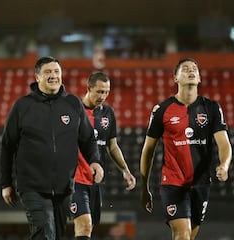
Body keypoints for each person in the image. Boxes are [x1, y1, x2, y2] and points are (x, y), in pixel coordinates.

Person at [0, 56, 104, 240]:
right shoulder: (22, 106)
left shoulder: (73, 104)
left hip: (65, 188)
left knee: (56, 235)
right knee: (44, 232)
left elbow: (87, 139)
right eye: (48, 72)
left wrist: (94, 161)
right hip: (32, 186)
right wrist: (6, 183)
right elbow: (7, 145)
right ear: (37, 77)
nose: (53, 76)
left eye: (56, 72)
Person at [140, 58, 232, 240]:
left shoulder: (212, 108)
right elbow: (148, 150)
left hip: (201, 183)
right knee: (182, 234)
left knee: (189, 236)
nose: (191, 70)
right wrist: (144, 188)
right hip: (173, 183)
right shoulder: (162, 110)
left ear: (198, 78)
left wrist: (225, 165)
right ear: (176, 78)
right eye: (185, 68)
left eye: (194, 69)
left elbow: (224, 143)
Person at [69, 72, 136, 240]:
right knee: (84, 224)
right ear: (88, 88)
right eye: (99, 91)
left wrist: (125, 170)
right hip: (74, 178)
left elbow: (112, 146)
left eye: (106, 92)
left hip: (96, 179)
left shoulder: (108, 113)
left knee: (88, 226)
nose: (103, 96)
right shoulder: (73, 111)